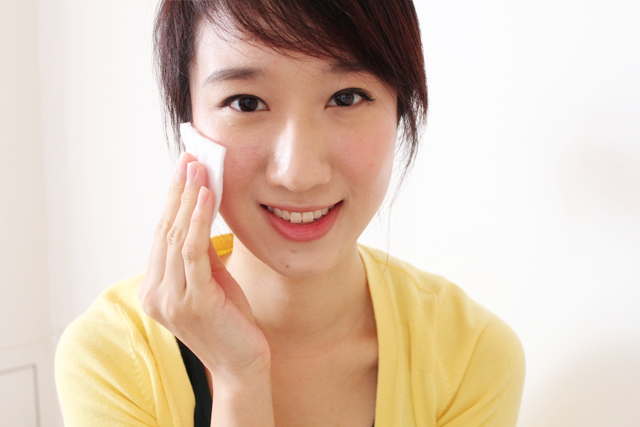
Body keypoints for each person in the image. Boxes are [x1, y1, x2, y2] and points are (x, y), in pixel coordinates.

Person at [55, 0, 525, 426]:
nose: (298, 174)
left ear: (401, 108)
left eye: (346, 97)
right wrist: (238, 378)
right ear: (190, 125)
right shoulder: (112, 358)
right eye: (246, 102)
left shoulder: (469, 357)